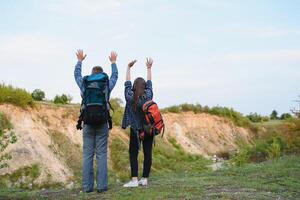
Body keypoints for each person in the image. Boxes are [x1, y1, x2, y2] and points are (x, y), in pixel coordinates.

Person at [74, 49, 118, 193]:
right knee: (101, 155)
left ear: (92, 74)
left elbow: (76, 75)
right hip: (102, 122)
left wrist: (79, 61)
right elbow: (115, 77)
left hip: (87, 122)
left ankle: (87, 188)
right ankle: (102, 186)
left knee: (87, 155)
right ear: (100, 74)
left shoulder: (85, 83)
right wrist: (113, 63)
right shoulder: (105, 84)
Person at [122, 58, 154, 187]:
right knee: (148, 153)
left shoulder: (130, 96)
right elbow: (150, 83)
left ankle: (134, 180)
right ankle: (144, 179)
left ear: (134, 87)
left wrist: (128, 68)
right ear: (145, 87)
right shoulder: (148, 95)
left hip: (135, 129)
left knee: (133, 153)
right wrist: (149, 68)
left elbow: (127, 84)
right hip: (148, 128)